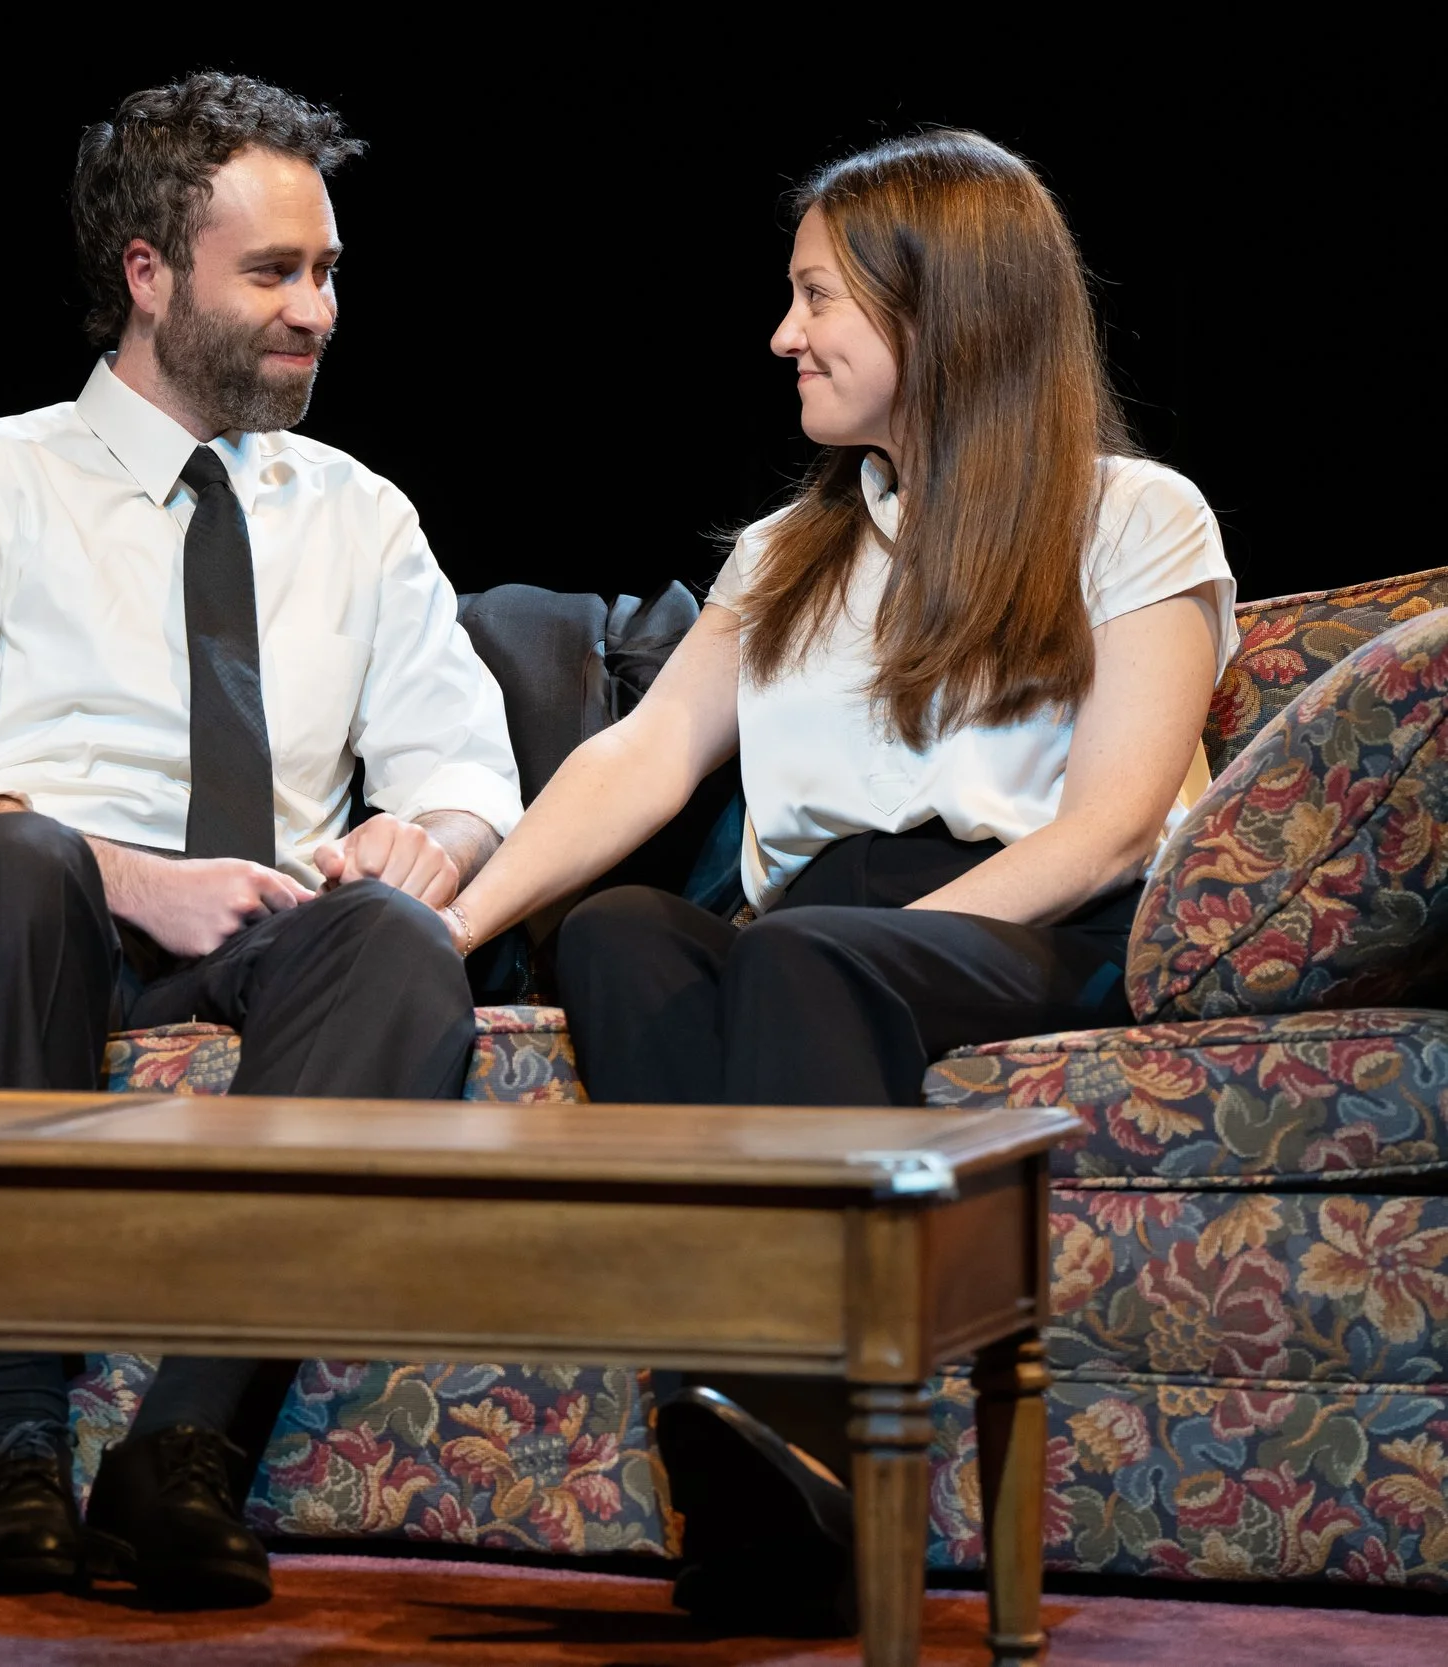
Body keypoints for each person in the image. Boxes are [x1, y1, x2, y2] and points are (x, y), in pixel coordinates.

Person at [440, 129, 1235, 1634]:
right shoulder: (791, 548)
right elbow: (646, 757)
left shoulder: (1133, 516)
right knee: (613, 933)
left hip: (1032, 914)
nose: (782, 334)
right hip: (818, 929)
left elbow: (1116, 828)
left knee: (800, 956)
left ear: (937, 312)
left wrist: (832, 951)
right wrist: (453, 925)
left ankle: (781, 1422)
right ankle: (750, 1443)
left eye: (817, 299)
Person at [0, 73, 522, 1608]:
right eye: (273, 273)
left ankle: (180, 1447)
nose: (319, 311)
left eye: (328, 271)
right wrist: (131, 875)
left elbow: (469, 766)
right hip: (2, 922)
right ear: (148, 274)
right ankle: (17, 1446)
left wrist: (427, 836)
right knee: (21, 862)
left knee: (407, 945)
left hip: (249, 928)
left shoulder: (360, 516)